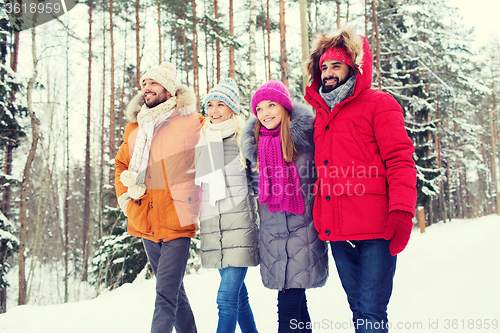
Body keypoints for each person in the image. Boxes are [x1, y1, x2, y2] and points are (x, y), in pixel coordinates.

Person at [304, 26, 417, 332]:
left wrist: (402, 211)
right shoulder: (319, 116)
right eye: (323, 67)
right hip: (338, 231)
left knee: (371, 310)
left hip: (376, 230)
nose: (328, 73)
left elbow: (400, 159)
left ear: (353, 67)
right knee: (358, 309)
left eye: (336, 66)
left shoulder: (379, 104)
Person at [115, 62, 204, 333]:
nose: (146, 88)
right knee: (173, 290)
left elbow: (217, 146)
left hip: (177, 219)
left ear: (168, 88)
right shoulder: (134, 128)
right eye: (144, 83)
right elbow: (121, 165)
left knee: (165, 295)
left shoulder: (190, 121)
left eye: (153, 83)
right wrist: (125, 201)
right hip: (145, 220)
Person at [242, 80, 328, 333]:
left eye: (271, 105)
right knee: (298, 307)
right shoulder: (253, 150)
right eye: (259, 108)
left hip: (303, 233)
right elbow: (248, 190)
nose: (265, 113)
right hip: (272, 237)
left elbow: (323, 182)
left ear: (285, 107)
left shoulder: (307, 144)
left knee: (288, 307)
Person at [194, 78, 260, 333]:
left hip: (240, 230)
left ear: (232, 108)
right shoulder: (203, 142)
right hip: (213, 232)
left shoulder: (244, 141)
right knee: (238, 298)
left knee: (225, 299)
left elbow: (259, 187)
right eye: (210, 104)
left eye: (220, 104)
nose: (214, 110)